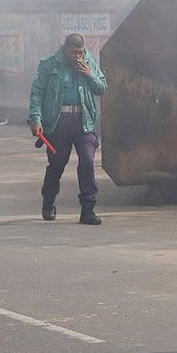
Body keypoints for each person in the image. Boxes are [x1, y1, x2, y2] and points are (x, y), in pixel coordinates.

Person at [28, 33, 108, 225]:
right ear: (65, 49)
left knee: (87, 161)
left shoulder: (89, 62)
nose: (78, 56)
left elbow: (102, 88)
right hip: (59, 122)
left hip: (84, 121)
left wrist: (89, 73)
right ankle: (48, 203)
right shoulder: (49, 64)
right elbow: (37, 93)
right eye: (74, 52)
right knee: (57, 164)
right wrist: (36, 119)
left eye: (81, 52)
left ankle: (87, 209)